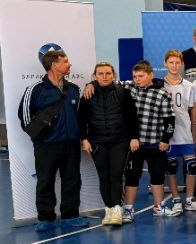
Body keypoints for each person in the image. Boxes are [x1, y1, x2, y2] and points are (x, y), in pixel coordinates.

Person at [20, 49, 86, 225]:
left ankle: (71, 216)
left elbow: (79, 116)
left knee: (72, 181)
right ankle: (45, 218)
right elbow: (25, 116)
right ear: (54, 65)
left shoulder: (74, 89)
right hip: (46, 145)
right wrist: (39, 138)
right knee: (45, 181)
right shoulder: (35, 89)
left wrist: (79, 137)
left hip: (71, 144)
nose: (69, 64)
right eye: (65, 61)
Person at [78, 62, 140, 227]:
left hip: (120, 141)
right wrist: (84, 139)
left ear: (114, 75)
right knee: (103, 177)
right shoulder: (87, 94)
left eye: (108, 73)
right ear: (94, 76)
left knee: (116, 176)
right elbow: (81, 119)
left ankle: (117, 210)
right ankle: (109, 210)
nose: (104, 77)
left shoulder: (123, 92)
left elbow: (132, 117)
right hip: (97, 142)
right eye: (100, 73)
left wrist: (134, 137)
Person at [122, 60, 176, 221]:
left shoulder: (162, 94)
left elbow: (169, 119)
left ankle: (159, 207)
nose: (137, 79)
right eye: (134, 76)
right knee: (132, 176)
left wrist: (165, 139)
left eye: (140, 76)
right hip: (135, 145)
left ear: (150, 75)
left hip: (155, 144)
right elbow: (108, 81)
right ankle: (128, 210)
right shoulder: (130, 87)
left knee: (157, 175)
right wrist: (91, 85)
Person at [160, 50, 196, 214]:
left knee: (192, 166)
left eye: (177, 62)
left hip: (185, 132)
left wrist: (193, 131)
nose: (174, 66)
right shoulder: (159, 85)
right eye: (171, 62)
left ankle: (189, 199)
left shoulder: (190, 86)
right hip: (167, 135)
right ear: (165, 63)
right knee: (171, 167)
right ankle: (176, 199)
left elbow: (193, 111)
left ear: (182, 64)